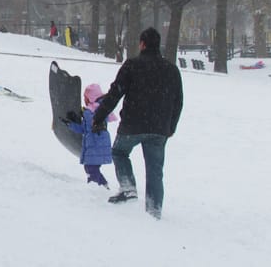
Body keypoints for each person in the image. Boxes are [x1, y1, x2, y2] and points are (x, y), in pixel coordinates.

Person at [92, 27, 183, 219]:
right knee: (155, 170)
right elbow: (178, 101)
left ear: (142, 44)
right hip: (159, 128)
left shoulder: (132, 65)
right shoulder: (171, 70)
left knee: (119, 151)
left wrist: (99, 116)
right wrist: (170, 127)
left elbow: (115, 93)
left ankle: (128, 188)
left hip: (133, 124)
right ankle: (154, 210)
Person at [63, 83, 118, 188]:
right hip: (95, 145)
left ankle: (96, 188)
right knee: (91, 168)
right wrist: (71, 124)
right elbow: (85, 129)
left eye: (86, 97)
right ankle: (102, 186)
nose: (84, 99)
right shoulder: (95, 109)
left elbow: (91, 121)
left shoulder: (95, 109)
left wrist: (81, 114)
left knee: (91, 168)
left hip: (96, 145)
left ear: (91, 97)